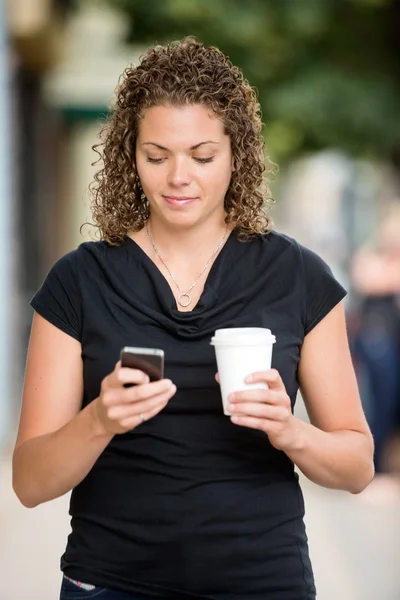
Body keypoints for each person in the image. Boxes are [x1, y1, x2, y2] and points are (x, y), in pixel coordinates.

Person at [12, 37, 374, 600]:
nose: (179, 177)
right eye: (157, 156)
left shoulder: (297, 276)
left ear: (238, 154)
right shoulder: (78, 282)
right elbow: (31, 482)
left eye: (202, 156)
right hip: (110, 583)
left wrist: (289, 431)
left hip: (263, 582)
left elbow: (356, 467)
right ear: (130, 156)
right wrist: (99, 420)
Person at [350, 202, 400, 502]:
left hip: (391, 340)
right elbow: (371, 280)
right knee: (380, 403)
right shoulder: (371, 257)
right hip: (375, 339)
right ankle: (377, 472)